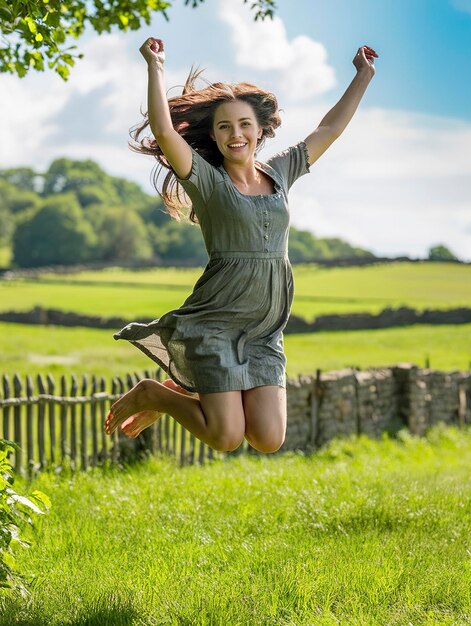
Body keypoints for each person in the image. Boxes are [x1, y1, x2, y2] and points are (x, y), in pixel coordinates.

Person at [104, 37, 378, 453]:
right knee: (226, 437)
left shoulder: (281, 171)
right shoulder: (207, 182)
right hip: (216, 320)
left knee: (268, 438)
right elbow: (163, 130)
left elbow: (328, 130)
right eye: (224, 126)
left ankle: (185, 391)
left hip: (265, 328)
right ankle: (155, 395)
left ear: (261, 129)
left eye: (245, 124)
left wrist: (363, 76)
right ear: (213, 136)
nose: (236, 134)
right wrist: (156, 66)